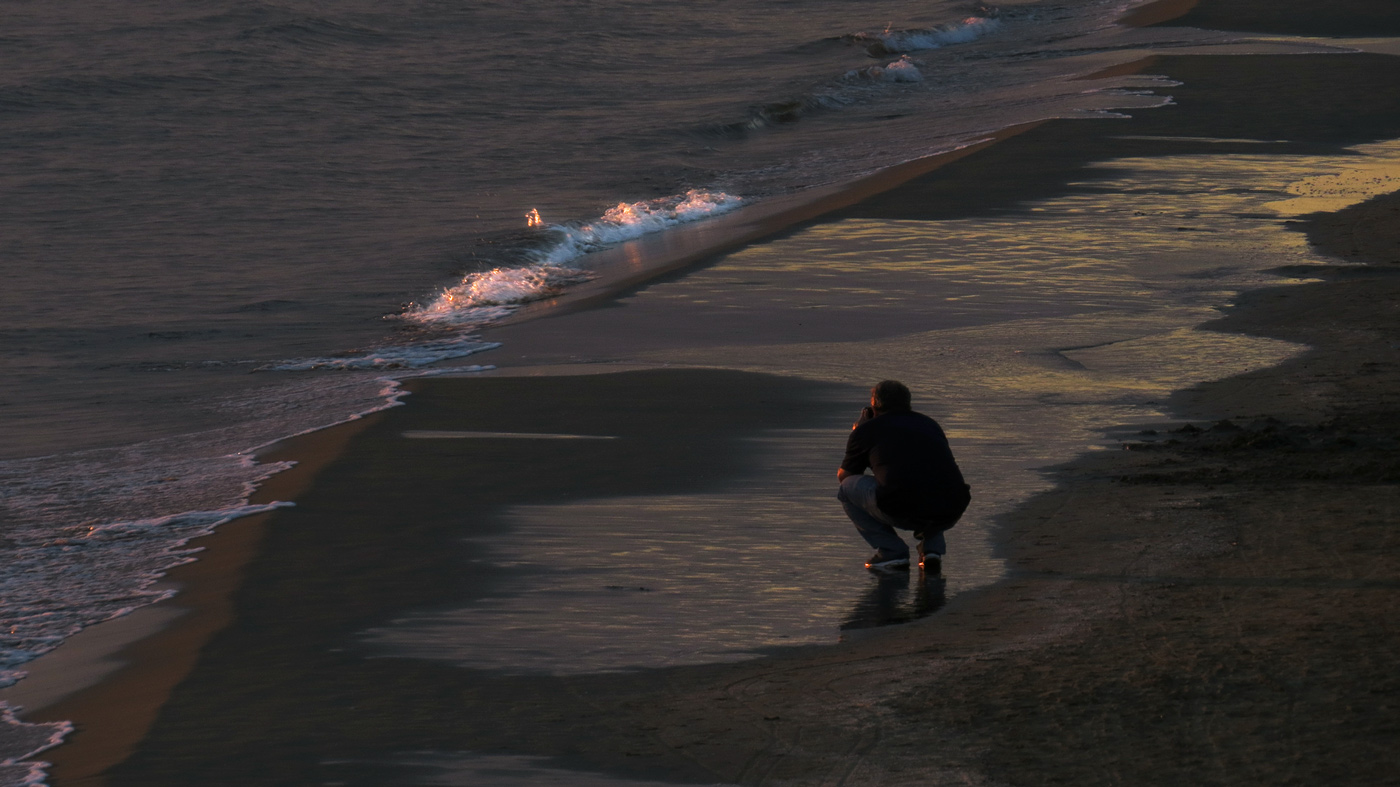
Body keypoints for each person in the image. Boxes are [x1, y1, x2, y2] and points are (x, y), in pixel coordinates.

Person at [837, 380, 970, 572]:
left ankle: (892, 552)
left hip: (901, 507)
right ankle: (932, 550)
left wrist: (858, 434)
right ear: (907, 403)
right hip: (952, 507)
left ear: (874, 406)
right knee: (931, 481)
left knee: (846, 489)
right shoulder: (929, 424)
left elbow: (846, 476)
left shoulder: (866, 430)